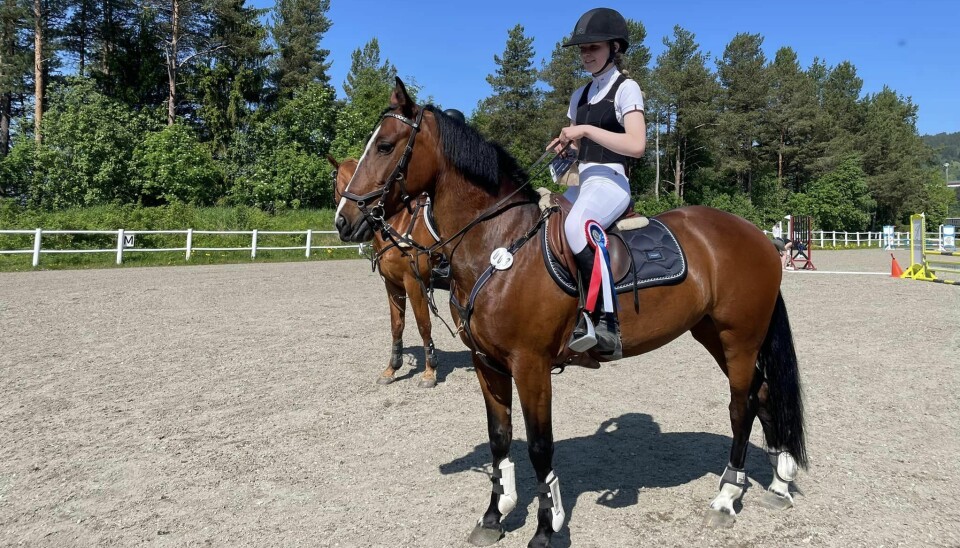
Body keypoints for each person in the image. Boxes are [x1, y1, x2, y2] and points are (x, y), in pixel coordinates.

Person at [547, 7, 647, 360]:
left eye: (594, 48)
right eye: (583, 49)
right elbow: (579, 147)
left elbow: (636, 144)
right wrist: (566, 146)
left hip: (612, 181)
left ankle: (606, 322)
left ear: (614, 48)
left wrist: (586, 130)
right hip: (583, 179)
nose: (586, 54)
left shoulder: (626, 88)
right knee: (545, 220)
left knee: (576, 227)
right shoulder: (579, 95)